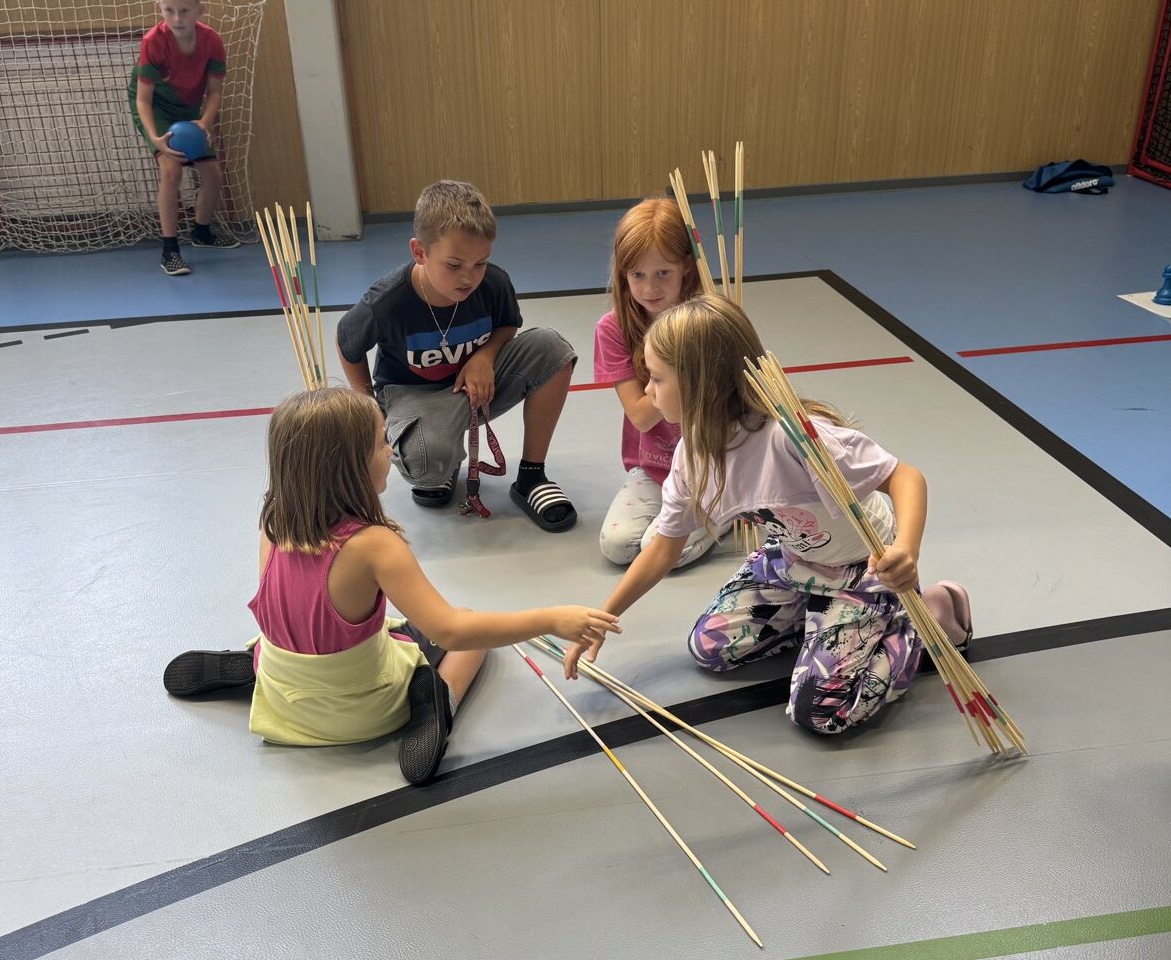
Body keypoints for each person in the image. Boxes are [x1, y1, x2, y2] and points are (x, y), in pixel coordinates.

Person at [565, 295, 972, 737]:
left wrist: (906, 549)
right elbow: (664, 547)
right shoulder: (692, 454)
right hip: (792, 560)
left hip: (863, 568)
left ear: (702, 385)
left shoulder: (792, 438)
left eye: (657, 379)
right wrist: (602, 616)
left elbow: (904, 477)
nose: (647, 391)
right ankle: (822, 622)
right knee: (709, 649)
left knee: (821, 712)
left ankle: (924, 620)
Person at [164, 387, 618, 783]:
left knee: (332, 625)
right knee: (471, 633)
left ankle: (256, 668)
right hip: (363, 713)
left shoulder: (273, 519)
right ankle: (436, 705)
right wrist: (551, 618)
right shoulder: (374, 545)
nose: (392, 453)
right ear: (348, 466)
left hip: (282, 699)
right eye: (382, 443)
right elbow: (451, 630)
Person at [337, 179, 578, 531]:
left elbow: (508, 325)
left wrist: (485, 356)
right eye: (454, 265)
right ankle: (444, 458)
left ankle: (531, 476)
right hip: (413, 394)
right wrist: (368, 407)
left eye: (480, 263)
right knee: (427, 465)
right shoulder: (387, 301)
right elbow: (347, 344)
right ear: (419, 252)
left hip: (476, 385)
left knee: (553, 349)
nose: (469, 278)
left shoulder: (493, 283)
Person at [593, 197, 727, 566]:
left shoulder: (710, 320)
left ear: (686, 266)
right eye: (637, 275)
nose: (649, 288)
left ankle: (728, 508)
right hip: (654, 467)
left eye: (662, 273)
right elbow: (640, 416)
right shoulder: (613, 328)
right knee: (616, 546)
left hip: (710, 466)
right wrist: (680, 366)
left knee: (659, 549)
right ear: (623, 273)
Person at [128, 0, 235, 277]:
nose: (177, 18)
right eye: (169, 10)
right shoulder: (154, 42)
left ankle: (202, 232)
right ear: (159, 8)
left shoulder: (211, 41)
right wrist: (155, 138)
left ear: (199, 10)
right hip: (157, 107)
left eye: (184, 11)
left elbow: (215, 92)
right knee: (171, 170)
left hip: (188, 108)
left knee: (212, 173)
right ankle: (170, 250)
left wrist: (204, 122)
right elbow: (142, 100)